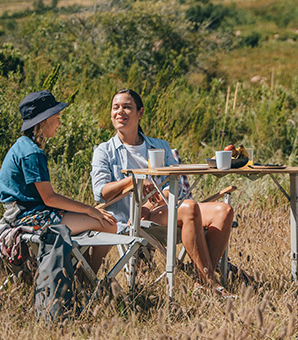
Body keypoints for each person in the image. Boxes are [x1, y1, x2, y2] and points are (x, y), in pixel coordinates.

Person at [91, 88, 234, 292]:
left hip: (160, 211)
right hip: (131, 218)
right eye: (115, 108)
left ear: (140, 113)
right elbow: (100, 192)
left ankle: (200, 283)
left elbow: (171, 184)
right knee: (190, 207)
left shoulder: (159, 146)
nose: (120, 112)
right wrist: (133, 181)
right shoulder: (104, 151)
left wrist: (150, 204)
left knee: (224, 211)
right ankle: (210, 282)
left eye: (127, 107)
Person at [0, 90, 117, 271]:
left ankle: (80, 274)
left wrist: (88, 211)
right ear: (44, 120)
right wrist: (89, 209)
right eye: (57, 117)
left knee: (91, 222)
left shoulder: (22, 146)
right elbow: (49, 199)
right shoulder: (32, 153)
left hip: (23, 214)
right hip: (30, 218)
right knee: (109, 225)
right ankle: (89, 276)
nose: (60, 123)